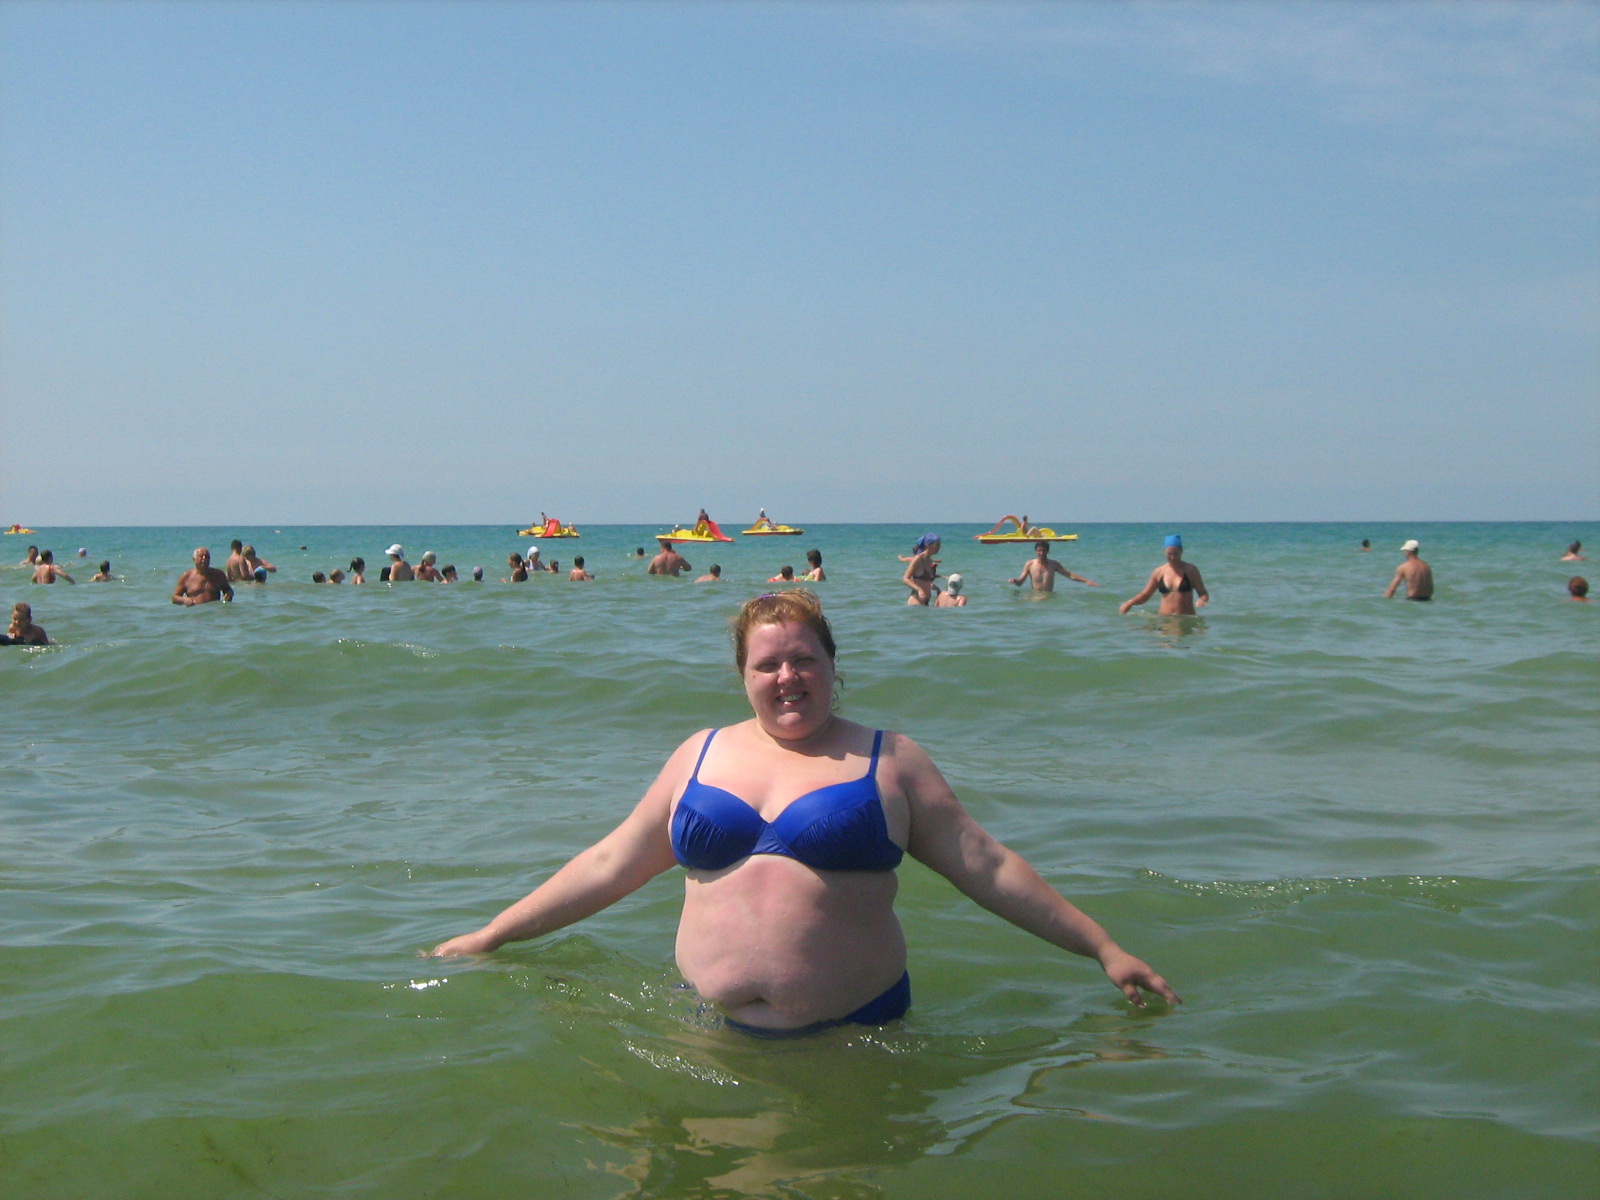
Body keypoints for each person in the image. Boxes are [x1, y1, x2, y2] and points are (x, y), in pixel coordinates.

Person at [430, 590, 1177, 1031]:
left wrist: (1102, 948)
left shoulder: (890, 759)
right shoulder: (698, 754)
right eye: (768, 664)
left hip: (856, 1039)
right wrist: (494, 934)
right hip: (707, 1034)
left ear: (831, 665)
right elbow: (610, 863)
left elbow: (987, 866)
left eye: (804, 659)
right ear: (743, 675)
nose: (787, 676)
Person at [1121, 535, 1208, 615]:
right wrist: (1130, 602)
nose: (1172, 557)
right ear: (1164, 552)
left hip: (1186, 618)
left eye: (1175, 554)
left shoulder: (1191, 570)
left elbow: (1203, 593)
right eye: (1169, 554)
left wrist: (1202, 600)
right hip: (1164, 619)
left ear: (1181, 552)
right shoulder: (1159, 572)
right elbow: (1146, 595)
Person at [1010, 541, 1098, 593]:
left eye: (1044, 551)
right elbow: (1020, 582)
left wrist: (1086, 581)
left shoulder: (1054, 564)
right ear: (1036, 551)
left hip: (1049, 598)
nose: (1041, 553)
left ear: (1048, 551)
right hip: (1035, 598)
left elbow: (1069, 575)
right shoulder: (1030, 564)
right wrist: (1015, 581)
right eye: (1039, 551)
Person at [902, 534, 940, 605]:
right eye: (937, 545)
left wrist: (937, 589)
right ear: (928, 545)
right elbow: (906, 579)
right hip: (916, 600)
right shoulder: (918, 559)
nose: (939, 547)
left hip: (926, 602)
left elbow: (925, 581)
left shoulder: (929, 560)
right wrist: (919, 589)